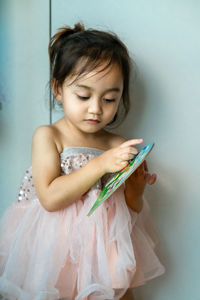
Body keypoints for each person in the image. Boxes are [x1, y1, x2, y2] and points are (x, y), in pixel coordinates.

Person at [0, 23, 165, 300]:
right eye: (84, 96)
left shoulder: (116, 145)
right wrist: (100, 165)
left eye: (110, 98)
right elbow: (50, 198)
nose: (96, 108)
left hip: (105, 252)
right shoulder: (49, 136)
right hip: (55, 251)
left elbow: (127, 215)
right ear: (58, 89)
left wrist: (135, 190)